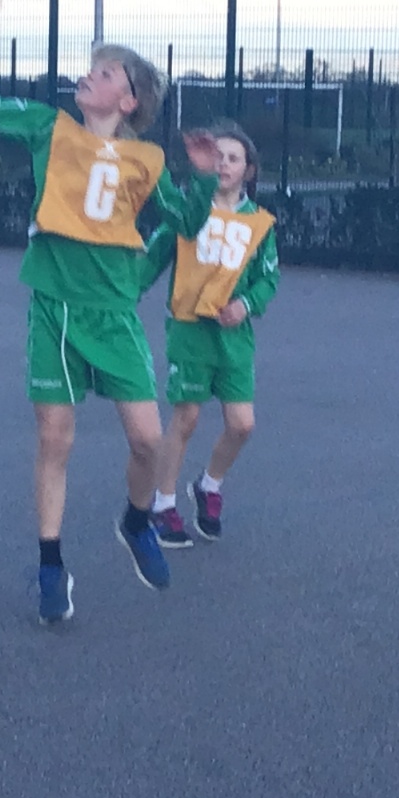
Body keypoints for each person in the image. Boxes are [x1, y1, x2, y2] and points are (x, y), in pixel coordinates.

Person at [0, 0, 220, 623]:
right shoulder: (50, 128)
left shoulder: (147, 158)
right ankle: (50, 565)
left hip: (113, 313)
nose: (89, 75)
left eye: (104, 73)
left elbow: (186, 223)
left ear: (127, 101)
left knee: (148, 441)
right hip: (54, 304)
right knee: (55, 439)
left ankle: (135, 521)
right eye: (91, 68)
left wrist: (206, 176)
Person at [140, 121, 279, 546]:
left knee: (242, 424)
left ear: (248, 171)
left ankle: (209, 484)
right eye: (217, 156)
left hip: (234, 337)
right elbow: (151, 260)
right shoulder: (188, 213)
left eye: (233, 158)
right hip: (189, 330)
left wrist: (246, 304)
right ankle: (163, 504)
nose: (223, 164)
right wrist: (123, 293)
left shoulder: (259, 224)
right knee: (186, 417)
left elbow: (269, 279)